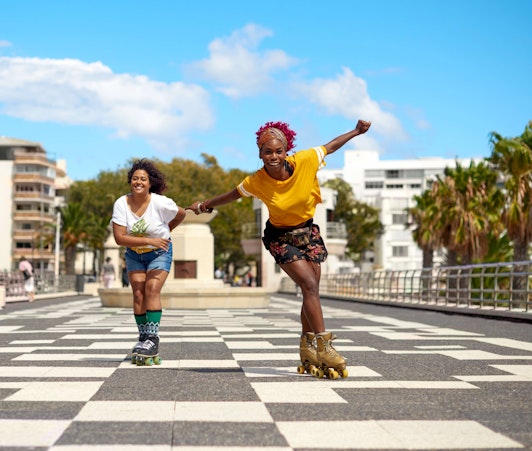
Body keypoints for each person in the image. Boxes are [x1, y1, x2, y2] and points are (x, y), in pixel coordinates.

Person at [188, 119, 371, 378]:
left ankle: (307, 348)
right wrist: (206, 204)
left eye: (278, 151)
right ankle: (324, 346)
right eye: (267, 152)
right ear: (260, 153)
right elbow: (232, 195)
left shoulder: (307, 159)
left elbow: (330, 147)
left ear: (287, 150)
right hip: (280, 237)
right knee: (309, 286)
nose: (273, 157)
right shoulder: (256, 181)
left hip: (308, 232)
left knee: (312, 291)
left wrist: (356, 131)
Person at [111, 159, 186, 365]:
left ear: (150, 183)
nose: (139, 182)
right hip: (134, 253)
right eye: (135, 178)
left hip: (159, 252)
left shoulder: (160, 202)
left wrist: (166, 230)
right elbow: (119, 238)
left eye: (143, 179)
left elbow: (181, 213)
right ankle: (143, 338)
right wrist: (148, 239)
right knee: (138, 292)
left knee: (152, 289)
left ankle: (153, 338)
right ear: (130, 181)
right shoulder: (121, 204)